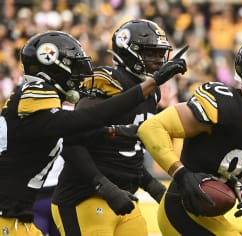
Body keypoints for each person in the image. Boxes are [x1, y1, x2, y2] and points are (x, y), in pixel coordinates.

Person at [0, 30, 185, 235]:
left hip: (17, 217)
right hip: (8, 217)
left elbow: (81, 131)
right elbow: (87, 120)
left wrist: (121, 131)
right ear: (51, 66)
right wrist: (151, 83)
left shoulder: (44, 115)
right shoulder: (33, 91)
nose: (79, 74)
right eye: (72, 66)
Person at [138, 36, 242, 236]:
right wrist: (181, 174)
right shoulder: (221, 105)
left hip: (212, 214)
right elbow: (151, 128)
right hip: (182, 208)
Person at [50, 19, 187, 236]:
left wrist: (152, 186)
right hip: (84, 196)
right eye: (150, 53)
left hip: (125, 198)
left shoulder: (153, 93)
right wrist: (103, 185)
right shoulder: (108, 79)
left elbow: (126, 152)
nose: (158, 60)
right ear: (129, 52)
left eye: (161, 54)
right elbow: (71, 138)